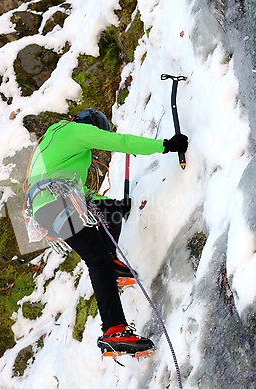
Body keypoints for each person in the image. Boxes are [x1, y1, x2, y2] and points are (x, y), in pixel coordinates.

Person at [24, 108, 188, 358]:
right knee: (96, 257)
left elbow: (79, 190)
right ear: (90, 126)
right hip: (55, 203)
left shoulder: (52, 139)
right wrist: (165, 145)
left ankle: (111, 266)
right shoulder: (76, 132)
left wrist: (115, 206)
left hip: (50, 203)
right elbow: (119, 142)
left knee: (110, 211)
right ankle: (114, 331)